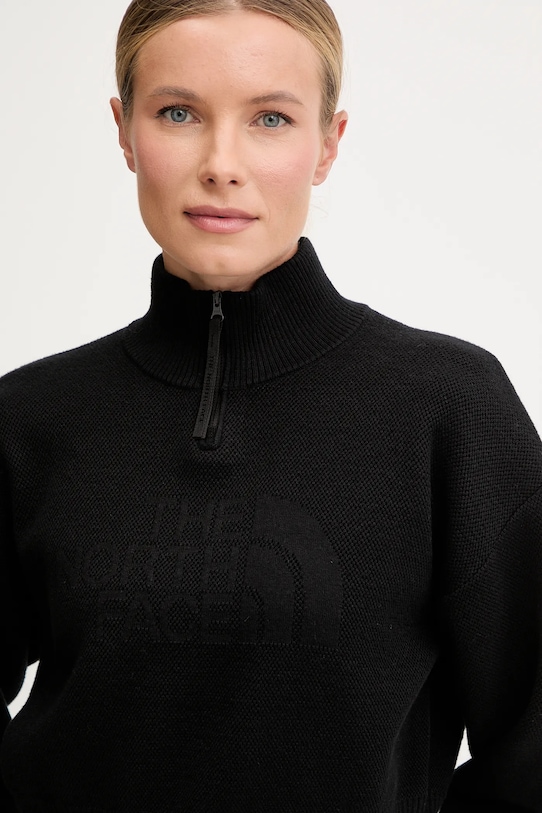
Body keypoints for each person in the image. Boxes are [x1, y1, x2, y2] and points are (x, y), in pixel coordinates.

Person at [1, 0, 541, 810]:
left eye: (270, 119)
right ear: (123, 131)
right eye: (178, 113)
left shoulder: (449, 408)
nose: (222, 163)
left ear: (328, 143)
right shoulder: (28, 418)